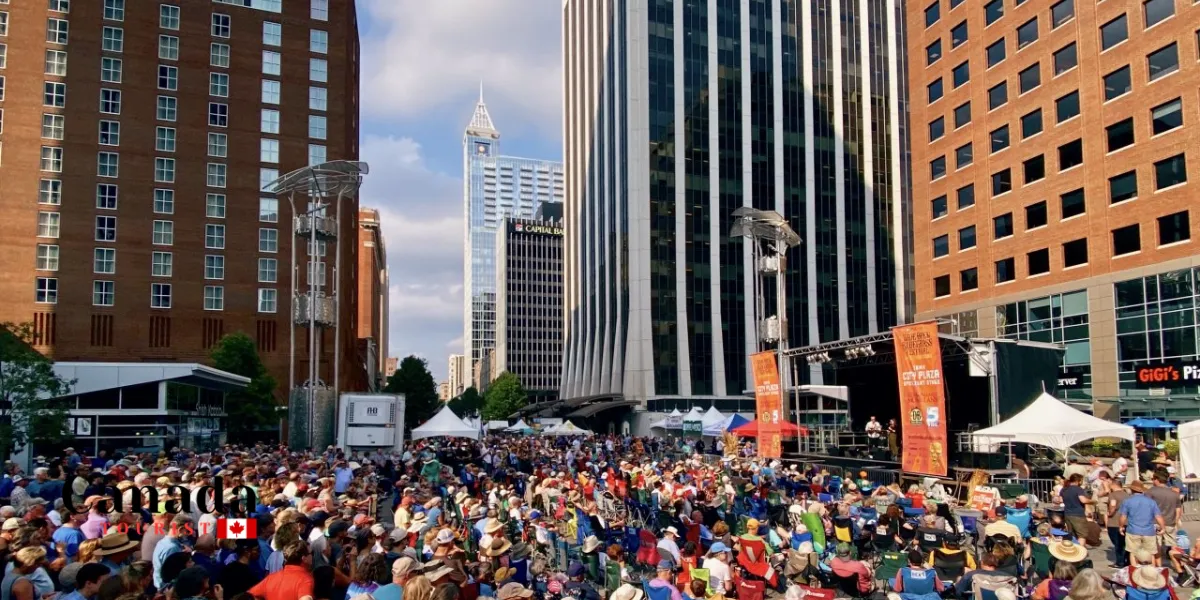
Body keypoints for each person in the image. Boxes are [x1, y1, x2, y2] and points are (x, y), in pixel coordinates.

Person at [1119, 481, 1165, 567]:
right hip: (1149, 531)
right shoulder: (1151, 502)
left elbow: (1123, 516)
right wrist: (1162, 528)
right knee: (1151, 553)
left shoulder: (1127, 501)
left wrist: (1121, 527)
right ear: (1142, 490)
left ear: (1131, 490)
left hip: (1133, 530)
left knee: (1133, 552)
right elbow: (1158, 516)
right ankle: (1151, 572)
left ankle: (1135, 571)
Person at [248, 541, 314, 600]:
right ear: (304, 558)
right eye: (311, 553)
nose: (313, 556)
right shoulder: (305, 579)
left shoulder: (271, 578)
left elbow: (248, 595)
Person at [1146, 470, 1182, 556]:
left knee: (1157, 545)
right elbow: (1178, 509)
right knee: (1173, 545)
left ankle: (1158, 566)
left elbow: (1146, 508)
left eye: (1153, 478)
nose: (1152, 480)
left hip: (1155, 522)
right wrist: (1176, 521)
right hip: (1170, 522)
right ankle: (1178, 564)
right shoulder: (1174, 493)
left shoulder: (1150, 492)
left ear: (1157, 479)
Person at [1058, 474, 1093, 541]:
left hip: (1067, 513)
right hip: (1078, 514)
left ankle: (1072, 549)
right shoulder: (1078, 489)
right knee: (1082, 535)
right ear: (1078, 481)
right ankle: (1081, 550)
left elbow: (1060, 500)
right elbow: (1083, 500)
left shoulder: (1064, 489)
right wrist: (1092, 501)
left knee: (1071, 534)